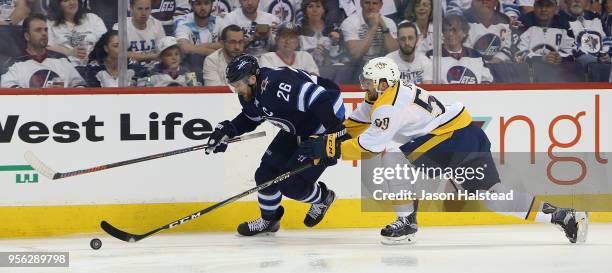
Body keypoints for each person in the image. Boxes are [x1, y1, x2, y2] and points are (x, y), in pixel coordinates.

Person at [341, 56, 588, 245]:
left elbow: (368, 145)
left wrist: (329, 151)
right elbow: (352, 125)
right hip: (465, 134)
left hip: (448, 140)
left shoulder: (388, 106)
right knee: (494, 197)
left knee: (391, 156)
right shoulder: (390, 93)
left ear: (384, 83)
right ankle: (562, 216)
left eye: (369, 82)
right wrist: (328, 139)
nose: (365, 86)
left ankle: (406, 222)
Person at [205, 53, 347, 236]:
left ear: (252, 79)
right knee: (265, 175)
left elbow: (319, 96)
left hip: (322, 122)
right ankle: (269, 220)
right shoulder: (249, 92)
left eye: (238, 85)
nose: (237, 90)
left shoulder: (276, 85)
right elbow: (251, 117)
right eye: (234, 86)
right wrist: (228, 131)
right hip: (298, 125)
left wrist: (334, 135)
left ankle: (323, 198)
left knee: (290, 184)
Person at [1, 13, 86, 88]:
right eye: (38, 30)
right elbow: (8, 89)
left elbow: (80, 85)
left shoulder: (61, 60)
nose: (44, 33)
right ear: (27, 36)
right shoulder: (14, 64)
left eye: (46, 30)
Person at [426, 14, 493, 84]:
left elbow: (487, 82)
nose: (450, 34)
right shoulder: (431, 55)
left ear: (464, 32)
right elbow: (427, 83)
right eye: (446, 30)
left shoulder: (476, 56)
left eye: (454, 30)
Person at [46, 0, 107, 66]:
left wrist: (93, 56)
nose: (72, 2)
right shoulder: (49, 23)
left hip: (94, 67)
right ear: (57, 4)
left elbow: (107, 42)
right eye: (65, 0)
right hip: (66, 68)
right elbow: (45, 47)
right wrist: (69, 52)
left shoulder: (92, 18)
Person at [516, 0, 575, 64]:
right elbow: (518, 53)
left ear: (556, 8)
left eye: (548, 6)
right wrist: (540, 59)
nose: (544, 9)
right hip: (529, 70)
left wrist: (561, 58)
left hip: (558, 70)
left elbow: (572, 53)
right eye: (540, 5)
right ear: (534, 6)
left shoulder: (564, 24)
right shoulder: (523, 22)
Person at [341, 0, 398, 65]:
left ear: (381, 5)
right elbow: (356, 55)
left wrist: (384, 28)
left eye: (375, 3)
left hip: (383, 68)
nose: (371, 7)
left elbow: (395, 54)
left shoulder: (389, 22)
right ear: (361, 3)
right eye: (367, 3)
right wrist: (373, 28)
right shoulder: (349, 23)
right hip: (357, 67)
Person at [559, 0, 609, 65]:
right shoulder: (557, 20)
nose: (577, 0)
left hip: (602, 68)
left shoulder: (596, 17)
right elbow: (565, 50)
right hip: (571, 70)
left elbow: (607, 39)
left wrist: (606, 53)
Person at [295, 0, 344, 66]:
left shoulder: (334, 29)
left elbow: (340, 58)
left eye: (318, 6)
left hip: (330, 71)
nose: (314, 10)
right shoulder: (298, 30)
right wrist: (312, 55)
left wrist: (334, 45)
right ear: (305, 10)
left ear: (323, 10)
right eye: (310, 6)